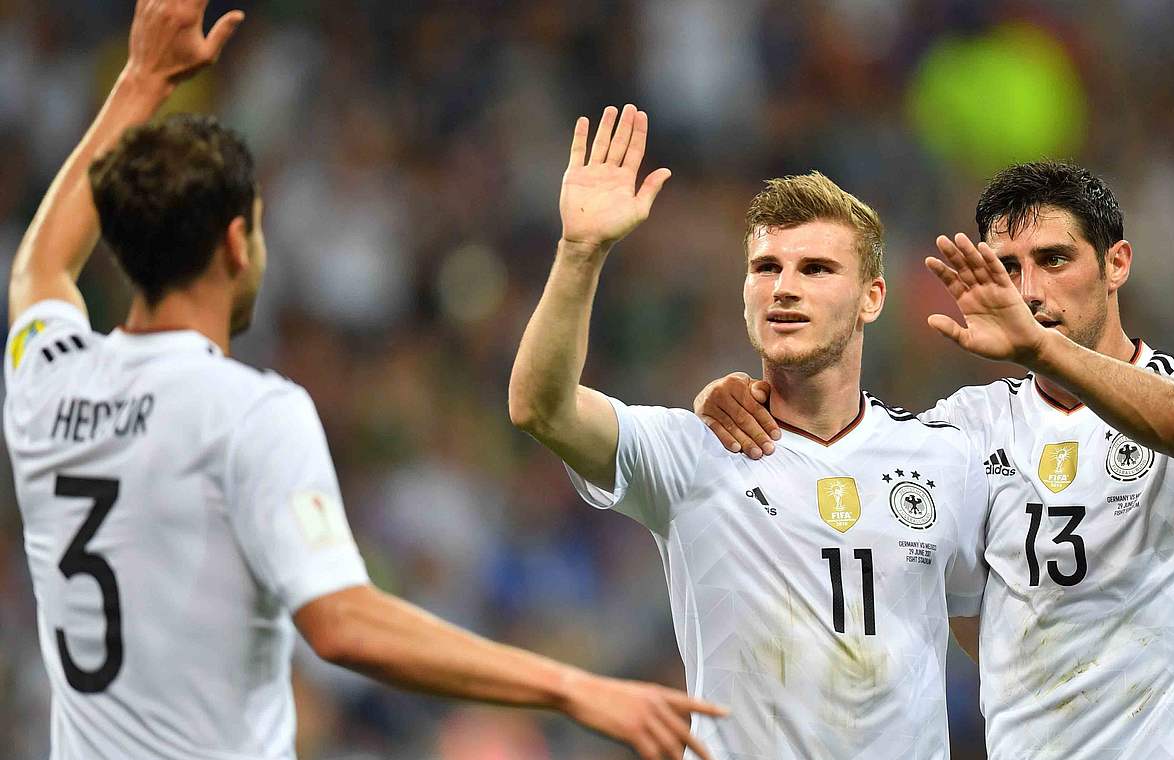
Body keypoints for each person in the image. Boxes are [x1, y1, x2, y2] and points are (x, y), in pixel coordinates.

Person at [3, 3, 721, 759]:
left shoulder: (49, 381)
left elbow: (42, 265)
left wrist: (140, 80)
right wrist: (575, 686)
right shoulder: (251, 413)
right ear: (236, 243)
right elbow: (342, 625)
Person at [695, 161, 1174, 758]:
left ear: (1116, 263)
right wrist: (735, 399)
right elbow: (851, 477)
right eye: (1007, 268)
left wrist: (1041, 348)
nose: (1028, 293)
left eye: (1054, 260)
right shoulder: (967, 427)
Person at [509, 103, 990, 758]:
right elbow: (542, 407)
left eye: (816, 269)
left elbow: (988, 623)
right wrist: (579, 252)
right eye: (767, 268)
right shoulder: (691, 452)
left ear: (872, 298)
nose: (784, 287)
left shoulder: (945, 459)